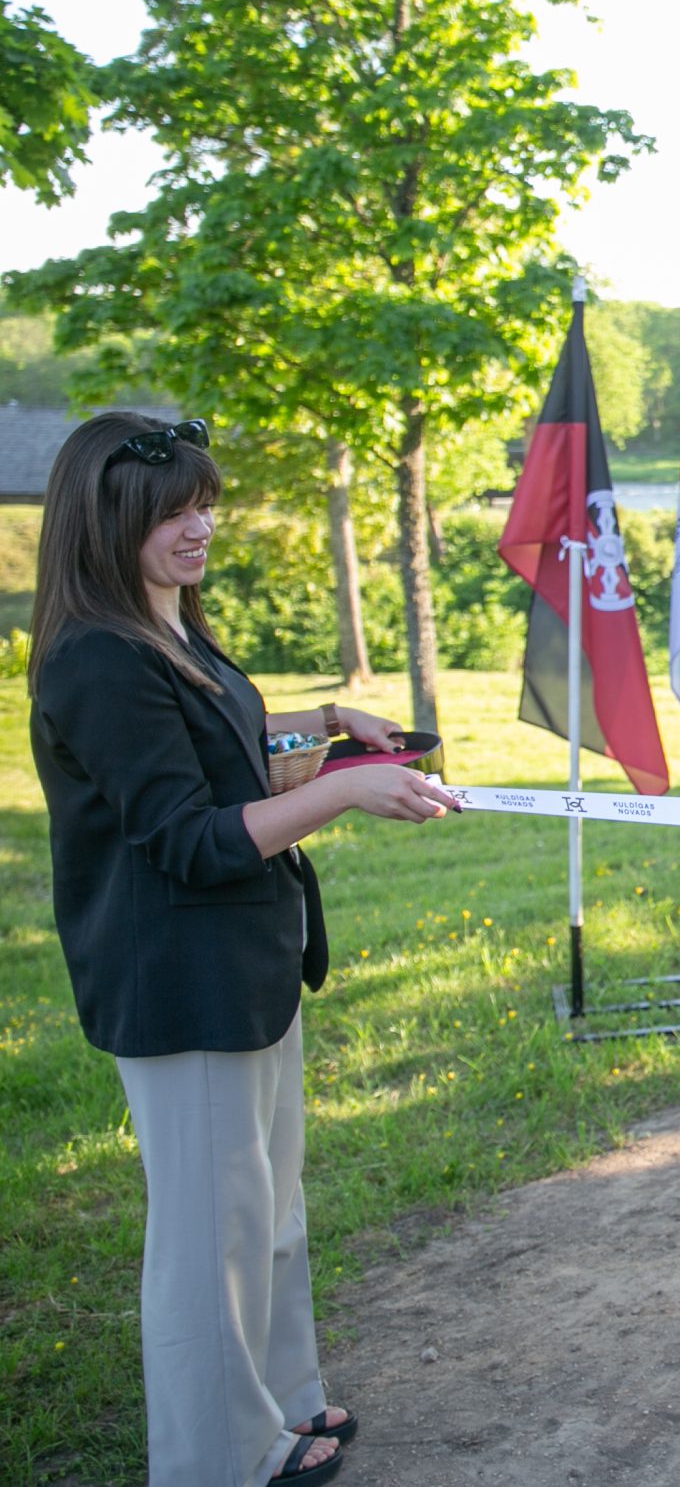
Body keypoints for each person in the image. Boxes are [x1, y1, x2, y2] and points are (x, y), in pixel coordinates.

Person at [30, 414, 456, 1487]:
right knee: (209, 1235)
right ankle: (221, 1457)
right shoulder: (95, 658)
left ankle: (285, 1398)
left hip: (246, 964)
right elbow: (187, 836)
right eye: (169, 513)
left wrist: (326, 722)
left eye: (203, 505)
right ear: (103, 524)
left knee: (266, 1205)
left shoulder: (167, 624)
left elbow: (215, 747)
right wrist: (344, 791)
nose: (198, 528)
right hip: (179, 981)